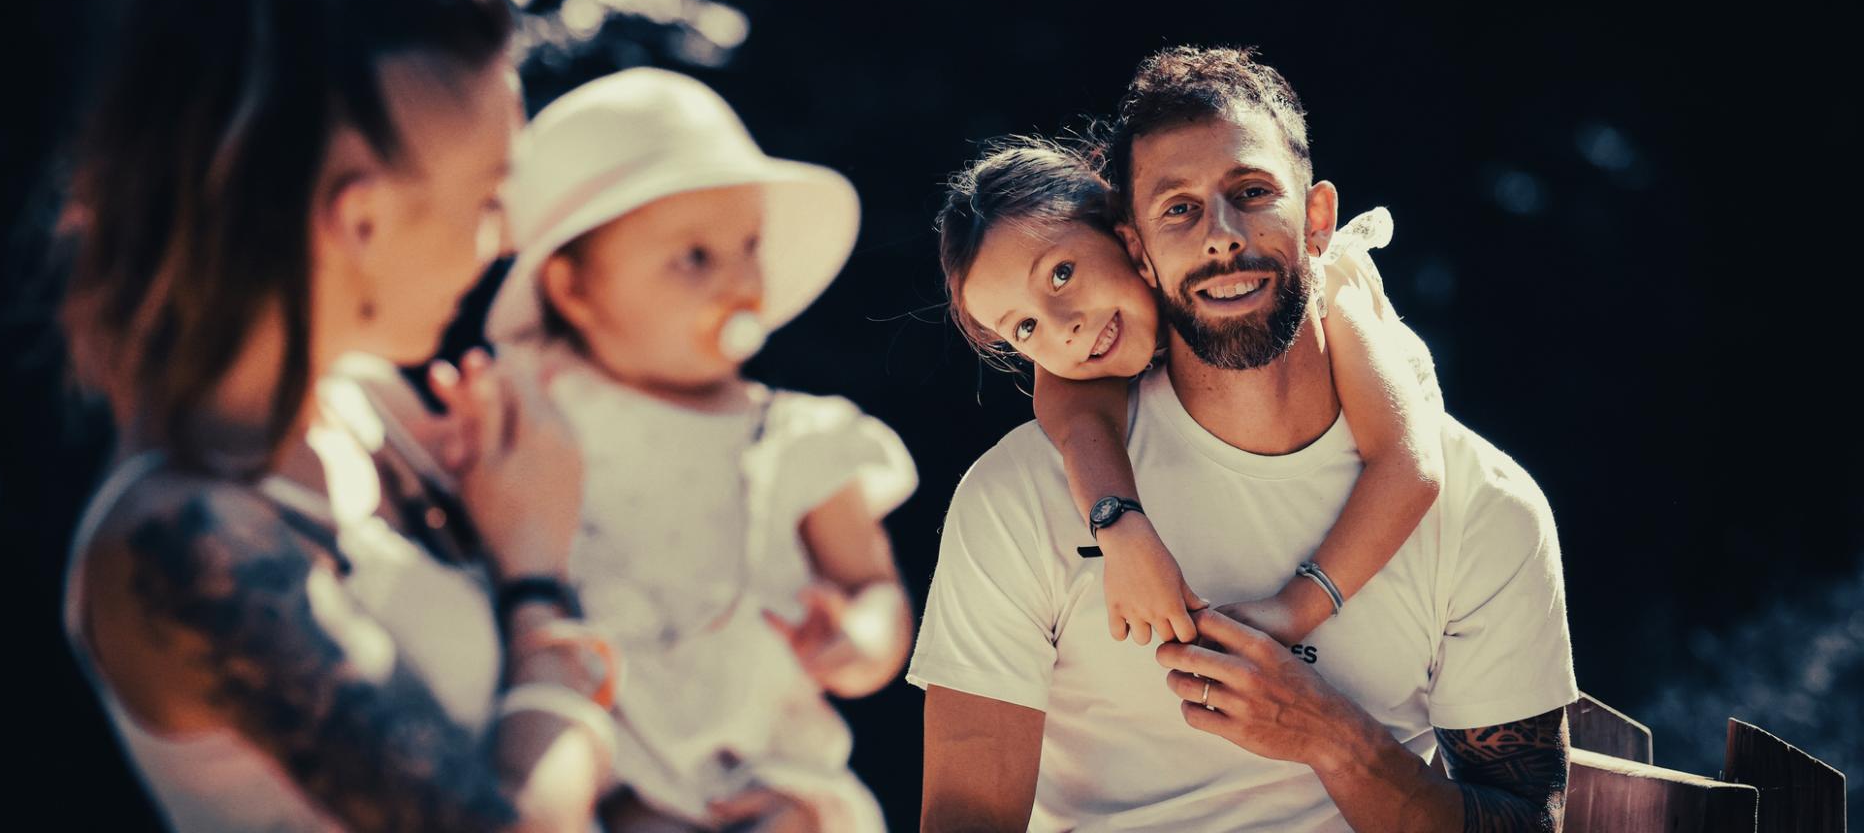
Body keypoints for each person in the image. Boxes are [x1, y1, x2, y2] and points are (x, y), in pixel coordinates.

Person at [59, 0, 612, 830]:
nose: (504, 242)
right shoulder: (186, 549)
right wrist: (537, 591)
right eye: (486, 199)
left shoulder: (369, 403)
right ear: (358, 219)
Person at [910, 46, 1578, 832]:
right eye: (1179, 210)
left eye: (1252, 192)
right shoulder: (1023, 493)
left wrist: (1331, 738)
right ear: (1137, 247)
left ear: (1319, 219)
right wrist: (1119, 521)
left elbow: (1529, 820)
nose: (1221, 236)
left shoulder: (1481, 501)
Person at [486, 67, 918, 832]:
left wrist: (858, 640)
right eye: (693, 258)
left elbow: (873, 583)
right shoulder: (538, 409)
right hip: (607, 771)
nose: (740, 281)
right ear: (573, 290)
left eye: (748, 244)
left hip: (770, 777)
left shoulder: (797, 436)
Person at [938, 136, 1444, 650]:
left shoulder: (1310, 282)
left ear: (1126, 233)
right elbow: (1073, 414)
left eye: (1061, 275)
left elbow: (1410, 464)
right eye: (1024, 328)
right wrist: (1124, 534)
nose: (1062, 327)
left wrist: (1292, 613)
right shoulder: (1085, 346)